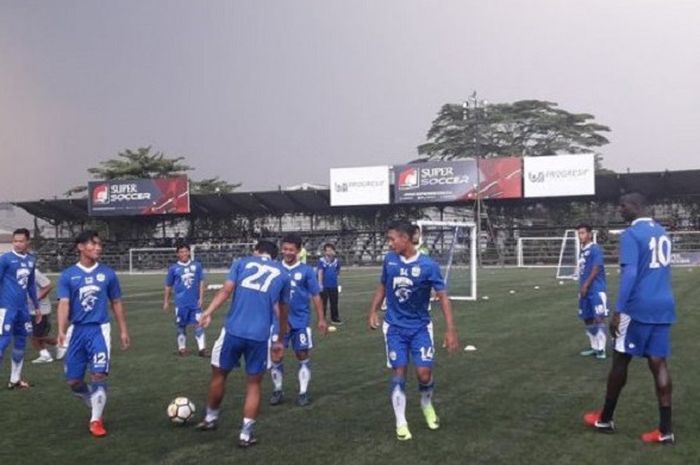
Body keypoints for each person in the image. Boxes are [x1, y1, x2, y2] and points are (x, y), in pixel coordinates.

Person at [584, 193, 677, 444]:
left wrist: (618, 312)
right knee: (659, 363)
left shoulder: (631, 235)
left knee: (620, 360)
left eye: (622, 206)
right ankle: (665, 430)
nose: (619, 210)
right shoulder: (660, 231)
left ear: (636, 207)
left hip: (638, 307)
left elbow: (630, 274)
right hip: (664, 303)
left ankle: (605, 418)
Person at [368, 221, 460, 441]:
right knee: (399, 372)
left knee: (423, 374)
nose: (389, 244)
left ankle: (426, 404)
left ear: (405, 239)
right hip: (394, 327)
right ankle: (401, 422)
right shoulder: (389, 261)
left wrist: (450, 330)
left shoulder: (428, 265)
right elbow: (382, 285)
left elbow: (443, 297)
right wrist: (373, 311)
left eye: (392, 239)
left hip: (420, 327)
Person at [196, 240, 290, 448]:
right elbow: (283, 312)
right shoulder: (283, 274)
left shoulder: (241, 263)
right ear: (274, 256)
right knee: (254, 383)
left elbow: (225, 291)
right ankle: (246, 434)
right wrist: (280, 340)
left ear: (256, 251)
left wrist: (208, 312)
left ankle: (211, 418)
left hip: (233, 330)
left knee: (219, 374)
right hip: (260, 335)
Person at [57, 230, 130, 437]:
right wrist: (61, 329)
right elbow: (64, 303)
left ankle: (96, 420)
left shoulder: (107, 274)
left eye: (100, 244)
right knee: (73, 382)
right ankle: (93, 399)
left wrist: (123, 330)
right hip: (76, 331)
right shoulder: (68, 275)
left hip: (99, 330)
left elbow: (116, 302)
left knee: (98, 373)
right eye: (93, 244)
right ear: (80, 247)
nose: (98, 248)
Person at [270, 234, 327, 407]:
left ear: (299, 250)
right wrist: (282, 321)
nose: (287, 252)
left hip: (301, 321)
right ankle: (278, 390)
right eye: (285, 249)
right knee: (276, 356)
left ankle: (303, 392)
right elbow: (271, 298)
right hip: (278, 323)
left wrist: (322, 319)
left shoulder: (307, 271)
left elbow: (316, 295)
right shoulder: (275, 269)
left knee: (302, 354)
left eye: (291, 249)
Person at [0, 228, 40, 389]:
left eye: (21, 241)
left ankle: (15, 379)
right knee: (3, 342)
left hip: (22, 309)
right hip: (5, 308)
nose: (17, 244)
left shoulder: (31, 260)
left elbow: (30, 284)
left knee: (21, 342)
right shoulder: (5, 259)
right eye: (15, 241)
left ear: (27, 242)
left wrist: (36, 306)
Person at [163, 243, 208, 357]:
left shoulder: (197, 265)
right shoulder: (173, 269)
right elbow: (168, 285)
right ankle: (182, 349)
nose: (183, 254)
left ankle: (202, 349)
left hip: (195, 302)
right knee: (181, 326)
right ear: (177, 254)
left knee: (199, 324)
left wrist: (201, 298)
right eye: (181, 252)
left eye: (185, 251)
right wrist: (166, 301)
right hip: (181, 303)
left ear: (189, 252)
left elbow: (201, 282)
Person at [576, 223, 608, 360]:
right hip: (584, 290)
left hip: (596, 289)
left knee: (598, 317)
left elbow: (596, 268)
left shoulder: (595, 249)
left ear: (589, 234)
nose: (580, 236)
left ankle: (601, 349)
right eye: (579, 233)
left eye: (583, 233)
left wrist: (586, 285)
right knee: (587, 318)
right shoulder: (582, 251)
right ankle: (594, 346)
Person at [30, 268, 65, 364]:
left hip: (41, 310)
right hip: (27, 309)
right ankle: (45, 355)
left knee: (38, 336)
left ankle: (60, 344)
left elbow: (48, 285)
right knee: (32, 334)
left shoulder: (34, 272)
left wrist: (36, 300)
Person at [317, 243, 342, 325]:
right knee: (323, 303)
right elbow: (320, 272)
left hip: (333, 285)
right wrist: (320, 284)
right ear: (324, 252)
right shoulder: (321, 261)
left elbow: (338, 272)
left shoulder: (337, 261)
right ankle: (322, 318)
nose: (329, 252)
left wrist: (338, 283)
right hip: (324, 285)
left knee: (334, 302)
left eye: (331, 250)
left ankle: (335, 318)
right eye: (327, 250)